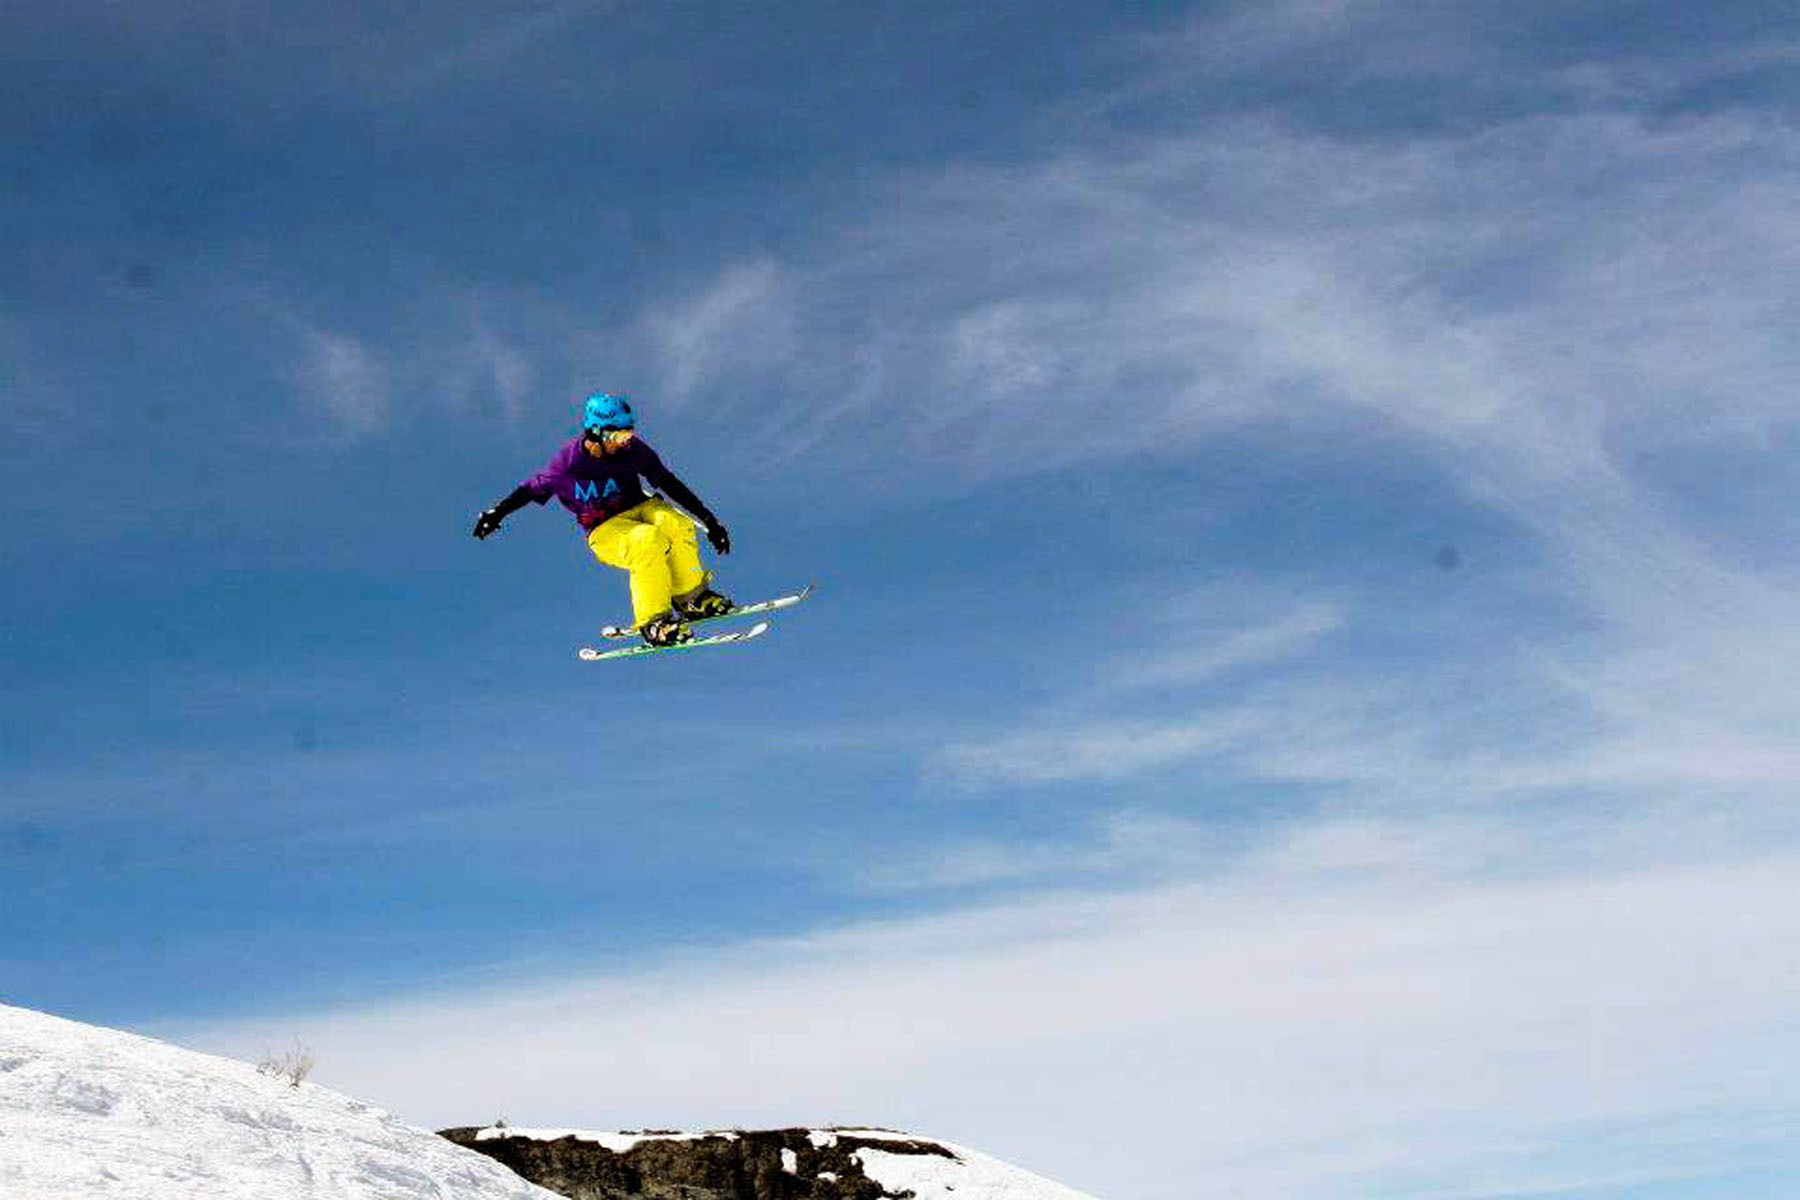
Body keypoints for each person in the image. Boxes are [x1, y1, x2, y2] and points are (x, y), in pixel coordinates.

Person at [471, 392, 733, 646]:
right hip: (604, 528)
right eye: (617, 435)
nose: (623, 441)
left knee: (675, 524)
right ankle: (654, 622)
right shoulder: (566, 466)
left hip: (640, 506)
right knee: (647, 540)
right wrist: (496, 513)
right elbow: (528, 490)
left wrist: (709, 520)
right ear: (595, 432)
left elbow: (667, 482)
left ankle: (691, 598)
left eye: (628, 433)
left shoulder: (632, 450)